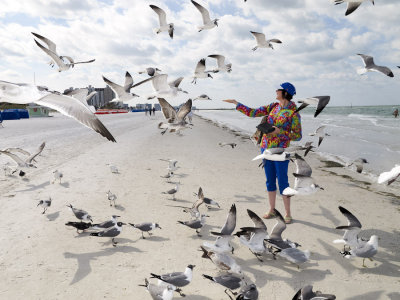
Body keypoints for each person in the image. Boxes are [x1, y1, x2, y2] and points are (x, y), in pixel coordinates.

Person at [223, 82, 302, 224]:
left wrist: (280, 132)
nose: (276, 90)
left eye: (279, 89)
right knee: (269, 180)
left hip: (280, 150)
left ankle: (288, 213)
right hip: (265, 149)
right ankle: (272, 210)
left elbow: (297, 135)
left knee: (283, 181)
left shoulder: (293, 113)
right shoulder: (273, 107)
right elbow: (252, 112)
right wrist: (236, 103)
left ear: (286, 93)